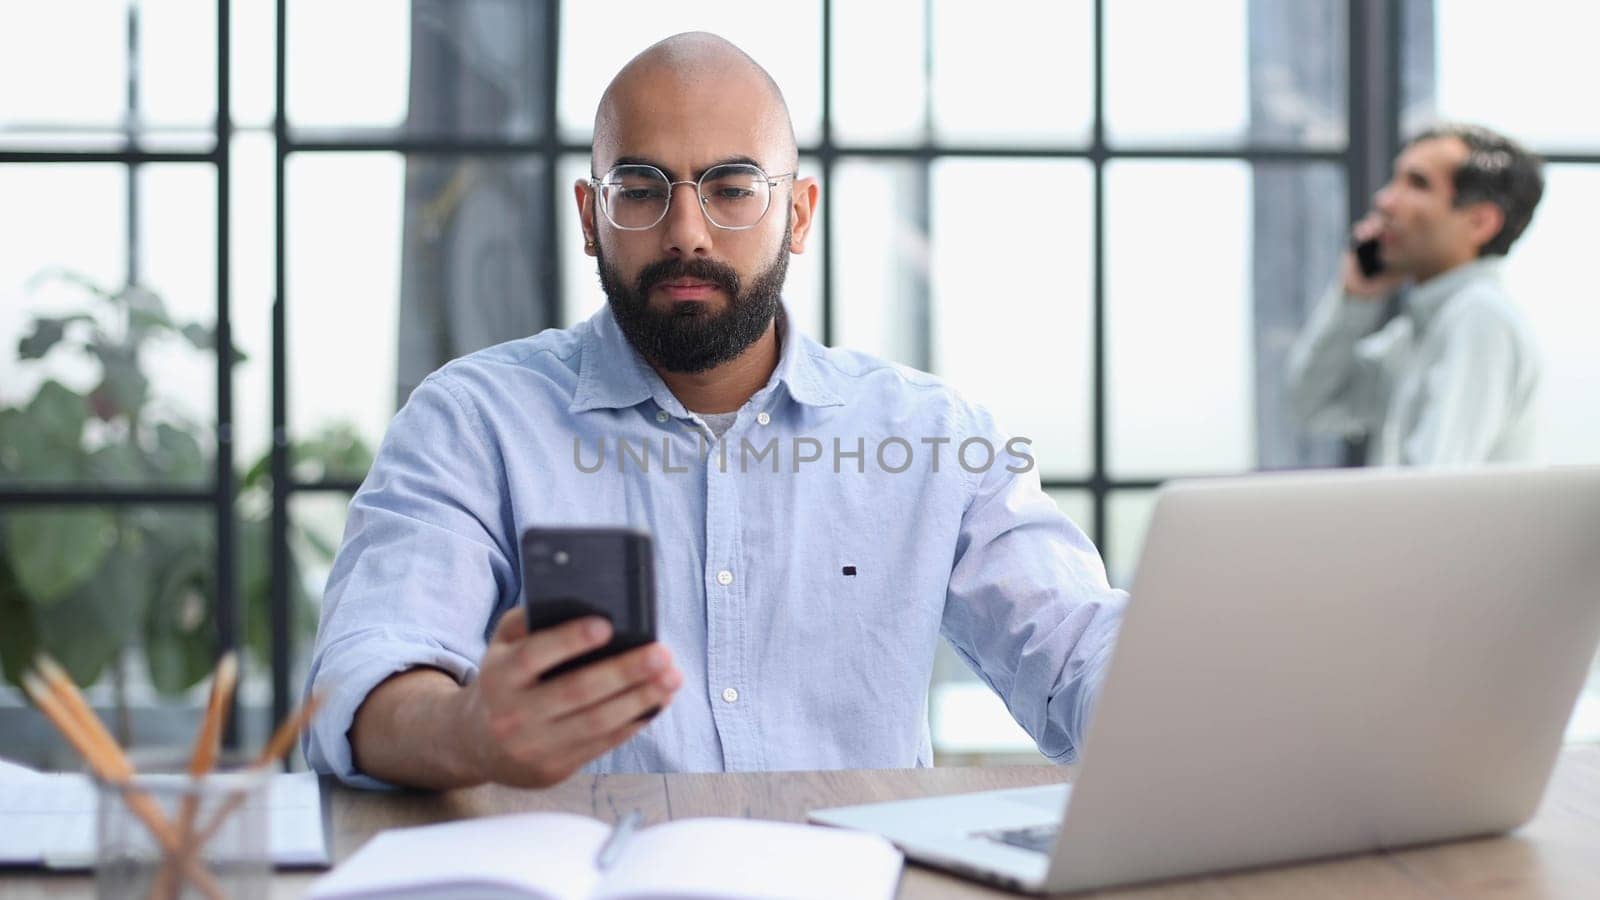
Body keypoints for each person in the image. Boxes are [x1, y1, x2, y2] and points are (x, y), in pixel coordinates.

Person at [302, 32, 1124, 790]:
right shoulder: (471, 422)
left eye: (731, 188)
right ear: (591, 217)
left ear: (796, 215)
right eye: (641, 188)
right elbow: (365, 674)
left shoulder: (935, 438)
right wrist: (467, 731)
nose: (686, 231)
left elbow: (1080, 654)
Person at [1286, 124, 1545, 465]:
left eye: (1417, 183)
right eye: (1396, 180)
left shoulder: (1479, 317)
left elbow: (1433, 491)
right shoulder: (1415, 333)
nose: (1384, 201)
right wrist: (1355, 300)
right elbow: (1311, 404)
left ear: (1480, 222)